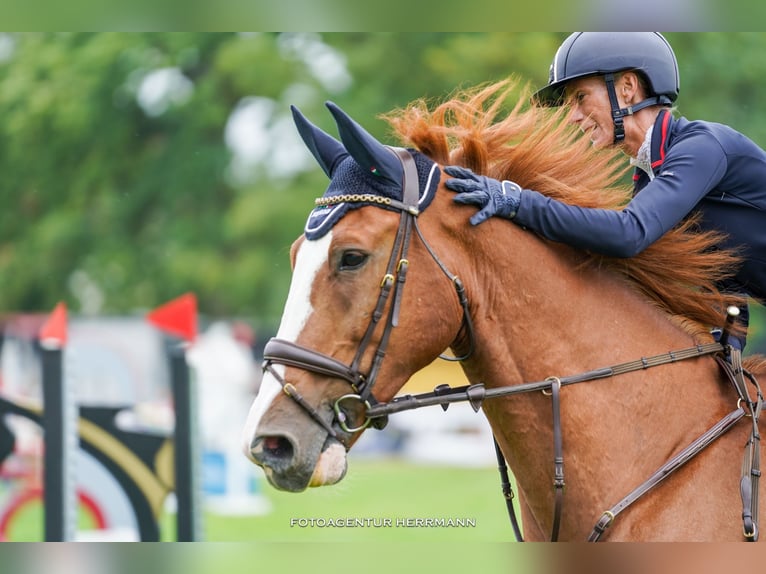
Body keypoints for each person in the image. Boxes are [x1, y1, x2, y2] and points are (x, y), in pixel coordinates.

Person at [444, 32, 766, 352]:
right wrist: (729, 340)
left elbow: (627, 234)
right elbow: (724, 261)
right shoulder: (650, 177)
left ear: (627, 89)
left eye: (580, 98)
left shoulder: (701, 148)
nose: (572, 117)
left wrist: (516, 201)